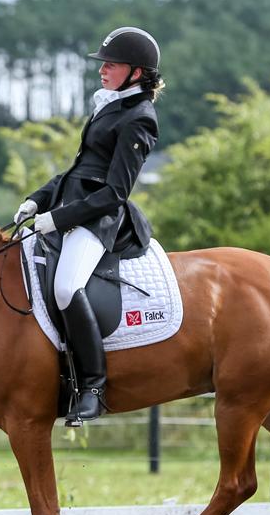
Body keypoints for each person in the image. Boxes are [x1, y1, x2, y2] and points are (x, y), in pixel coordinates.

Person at [14, 26, 162, 426]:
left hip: (99, 221)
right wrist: (39, 198)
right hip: (69, 208)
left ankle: (93, 387)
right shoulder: (110, 105)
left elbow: (114, 191)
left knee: (66, 286)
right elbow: (80, 169)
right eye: (103, 64)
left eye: (111, 64)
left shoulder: (139, 118)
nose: (103, 70)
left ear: (136, 72)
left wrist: (56, 218)